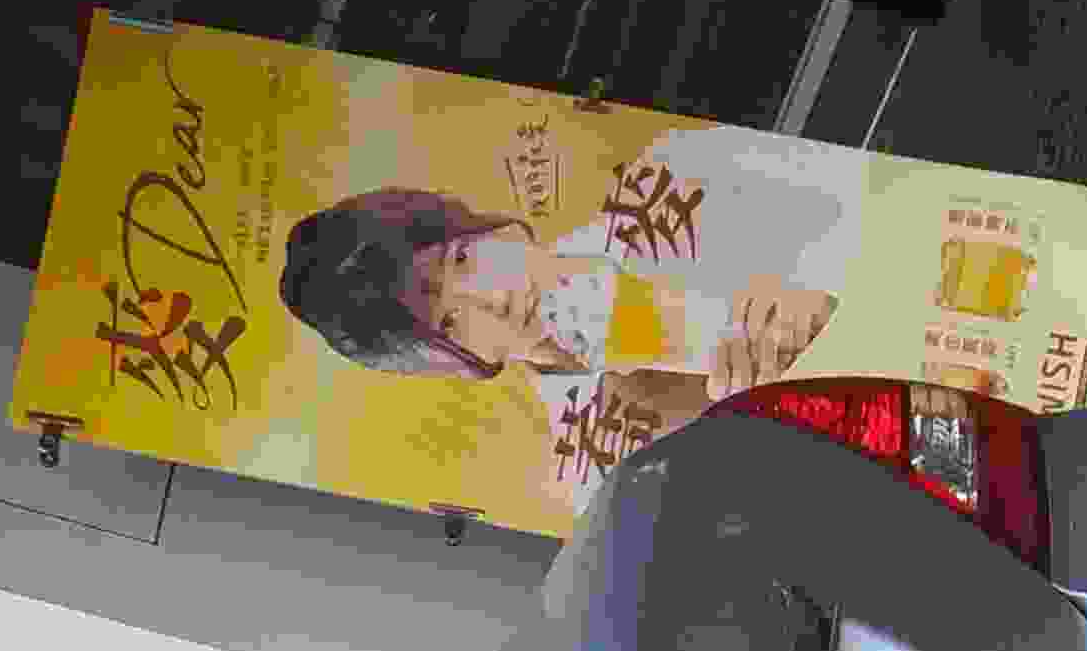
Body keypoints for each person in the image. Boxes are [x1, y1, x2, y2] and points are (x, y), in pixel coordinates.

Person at [275, 131, 866, 505]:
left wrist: (827, 294)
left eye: (461, 260)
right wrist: (752, 426)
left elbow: (880, 190)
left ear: (496, 228)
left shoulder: (677, 176)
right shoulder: (596, 468)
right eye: (451, 323)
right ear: (470, 362)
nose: (491, 301)